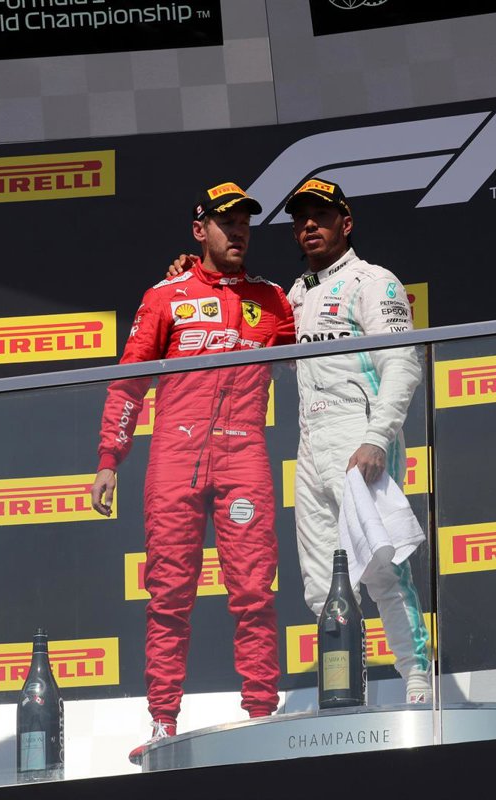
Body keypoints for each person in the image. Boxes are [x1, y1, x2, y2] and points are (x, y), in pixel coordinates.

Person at [91, 182, 295, 757]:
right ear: (200, 230)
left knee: (254, 591)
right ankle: (163, 723)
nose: (238, 231)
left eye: (245, 222)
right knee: (168, 596)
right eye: (226, 222)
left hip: (244, 456)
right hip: (174, 460)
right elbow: (129, 382)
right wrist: (110, 458)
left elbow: (320, 355)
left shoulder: (275, 299)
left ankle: (261, 717)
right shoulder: (166, 295)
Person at [284, 179, 432, 703]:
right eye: (300, 218)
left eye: (321, 216)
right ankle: (346, 689)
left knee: (384, 569)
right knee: (320, 583)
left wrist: (376, 438)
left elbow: (403, 364)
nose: (309, 225)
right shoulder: (296, 294)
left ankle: (418, 680)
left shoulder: (374, 282)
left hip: (358, 435)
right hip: (309, 443)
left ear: (345, 223)